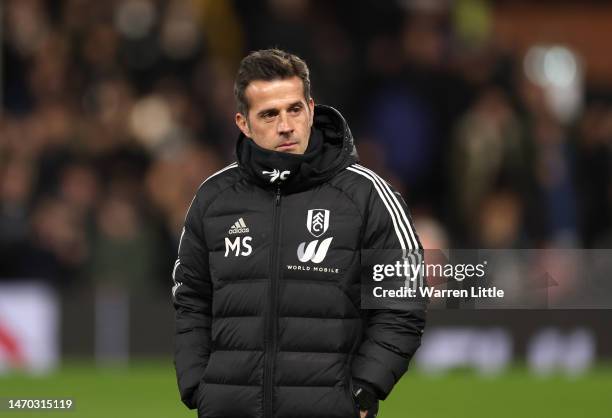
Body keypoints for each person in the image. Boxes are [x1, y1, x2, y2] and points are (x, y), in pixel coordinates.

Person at [172, 48, 426, 418]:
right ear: (243, 123)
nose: (286, 125)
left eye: (294, 109)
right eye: (269, 114)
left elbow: (403, 299)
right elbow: (190, 298)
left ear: (311, 107)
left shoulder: (367, 195)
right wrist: (199, 385)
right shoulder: (214, 198)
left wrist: (364, 388)